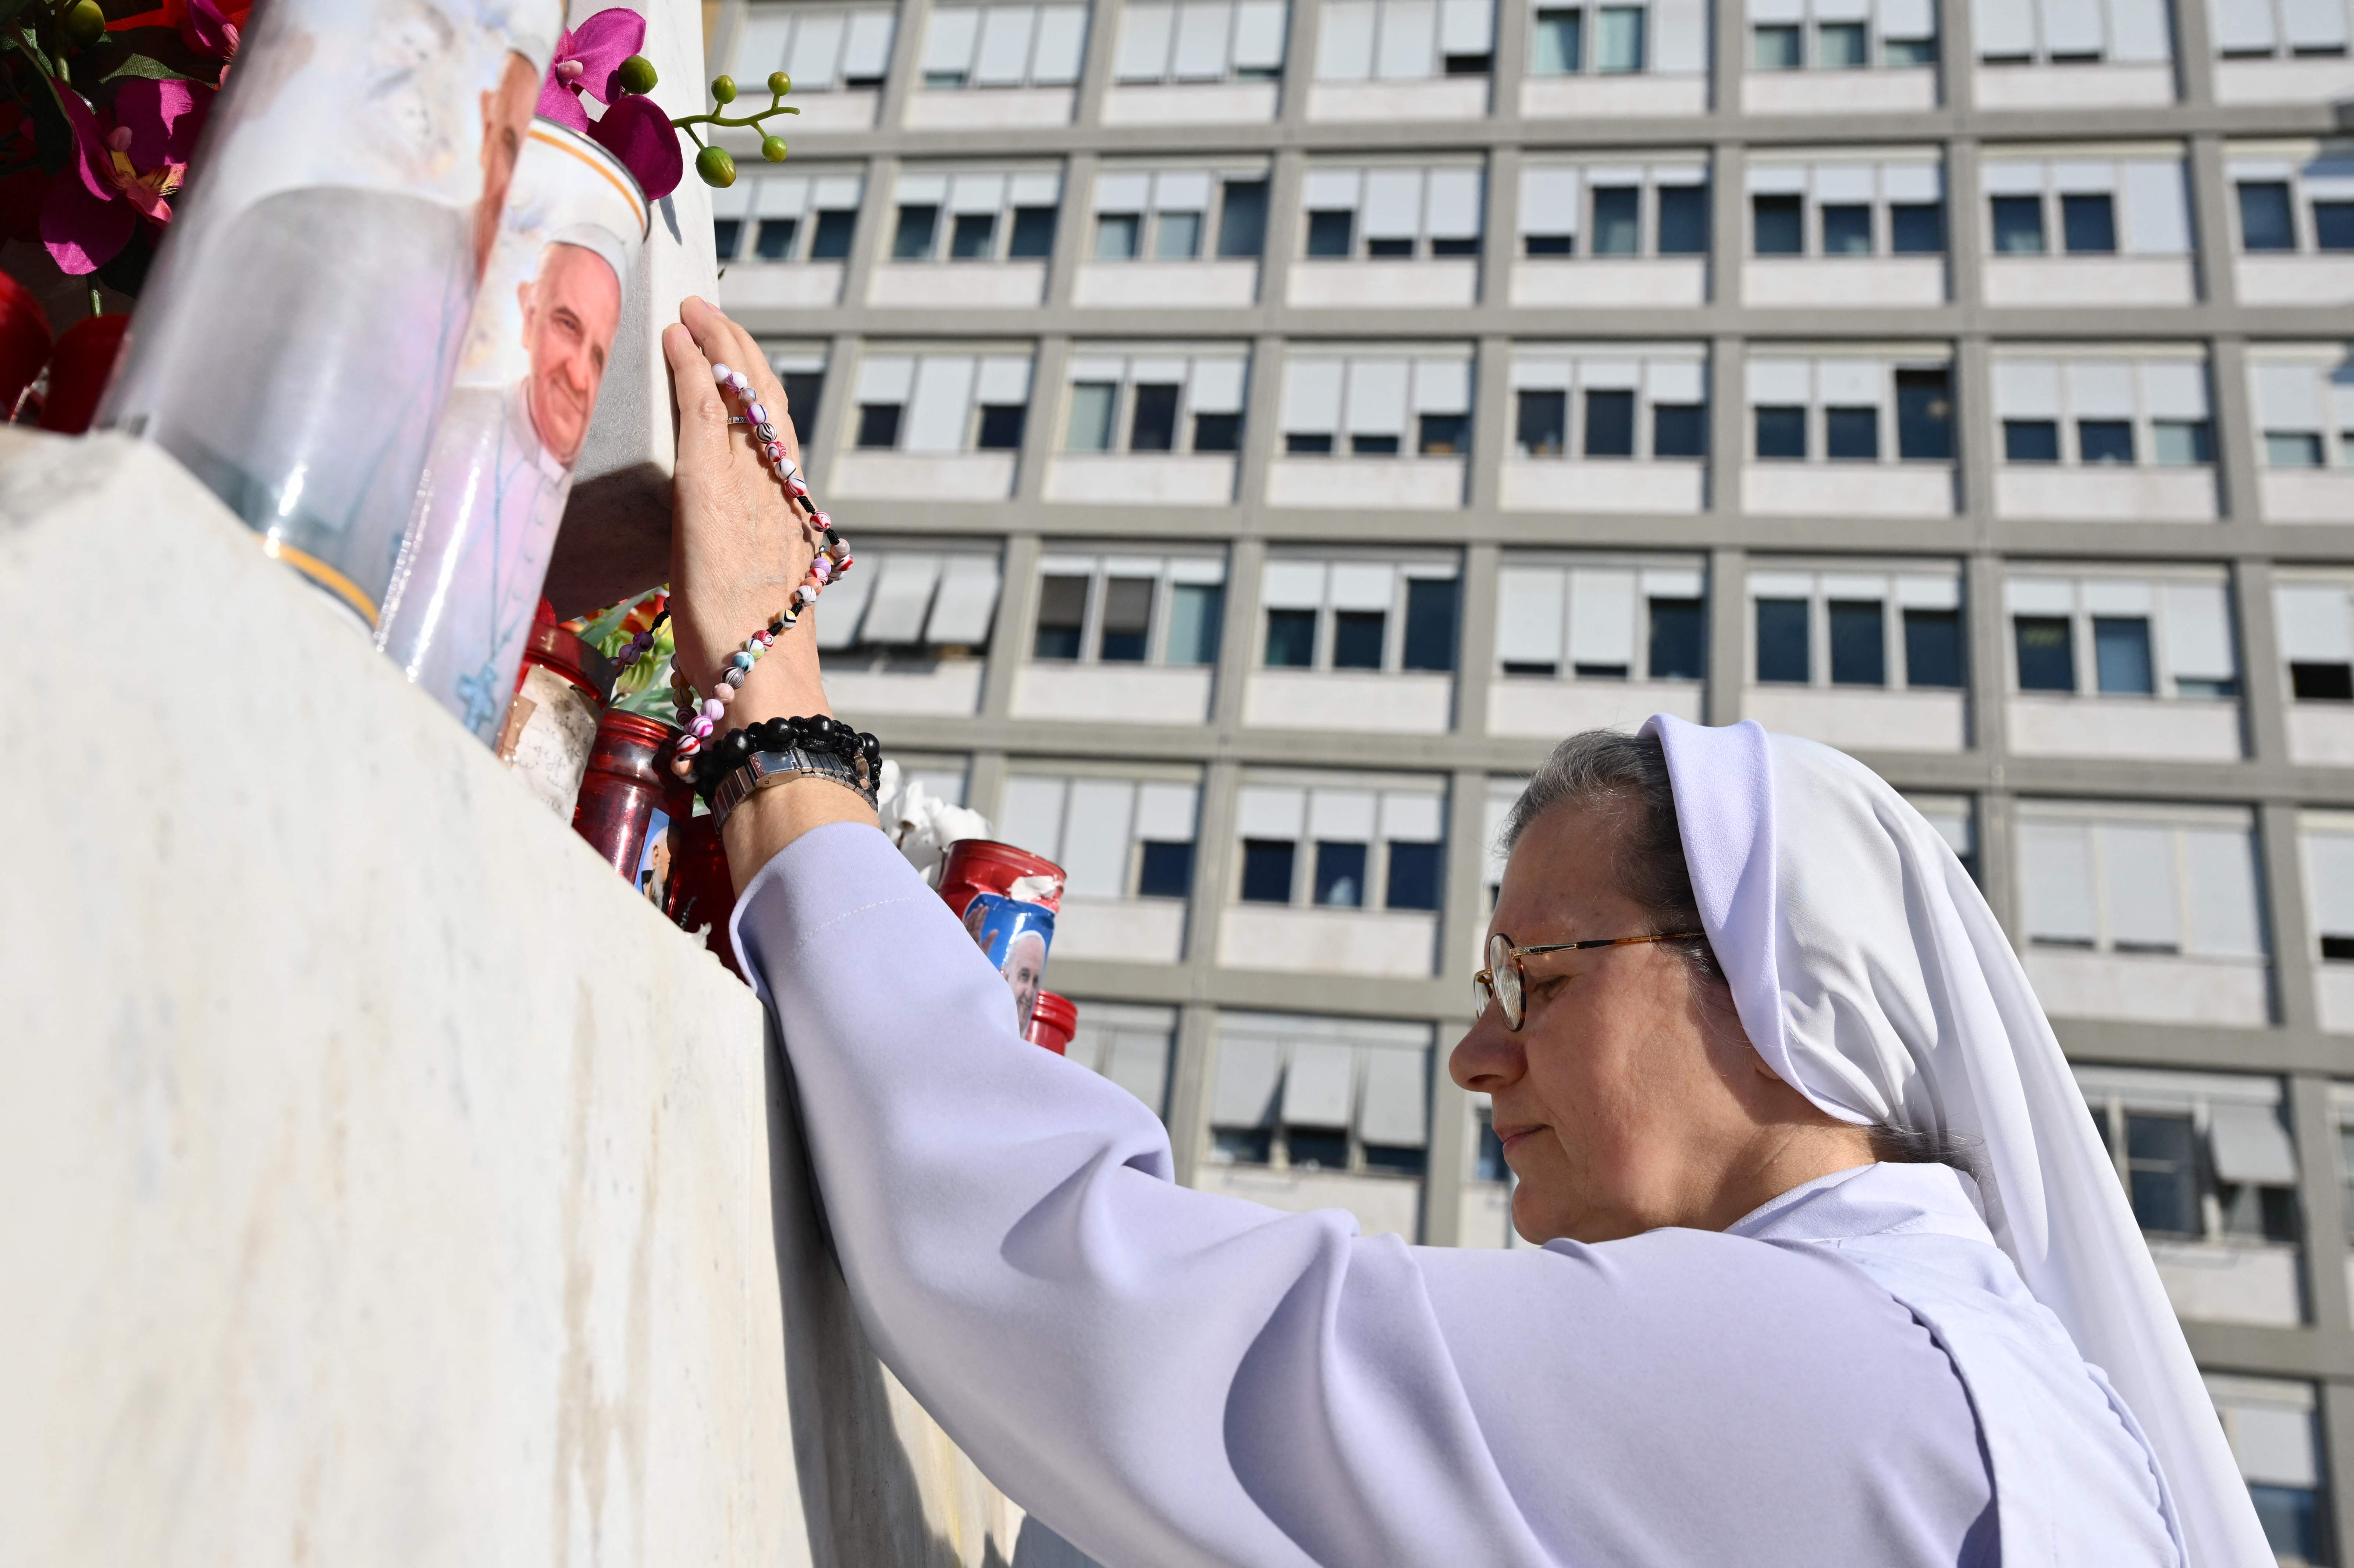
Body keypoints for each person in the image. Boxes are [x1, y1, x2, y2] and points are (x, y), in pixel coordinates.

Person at [655, 297, 2278, 1568]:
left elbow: (1076, 1299)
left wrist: (777, 736)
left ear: (1788, 1000)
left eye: (1539, 978)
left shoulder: (1814, 1369)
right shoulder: (2003, 1393)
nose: (1473, 1054)